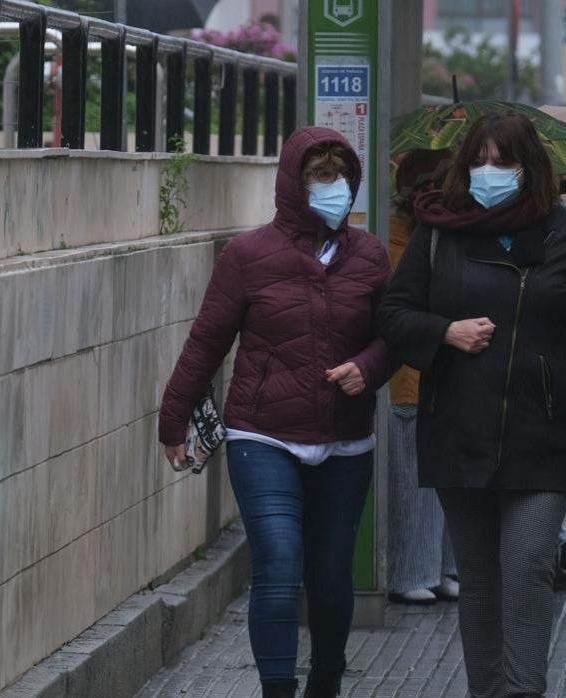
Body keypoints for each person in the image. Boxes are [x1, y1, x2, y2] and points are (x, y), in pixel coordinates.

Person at [378, 111, 566, 698]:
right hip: (458, 432)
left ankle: (522, 690)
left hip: (546, 435)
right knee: (481, 582)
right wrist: (444, 331)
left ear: (531, 169)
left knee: (527, 571)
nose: (489, 172)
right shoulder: (437, 233)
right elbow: (394, 314)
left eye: (504, 162)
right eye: (479, 161)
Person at [158, 127, 393, 698]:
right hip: (262, 434)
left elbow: (396, 335)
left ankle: (327, 684)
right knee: (280, 565)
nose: (331, 189)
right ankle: (277, 691)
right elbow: (206, 341)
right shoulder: (248, 255)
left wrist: (369, 366)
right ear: (293, 183)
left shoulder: (370, 255)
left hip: (345, 439)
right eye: (318, 177)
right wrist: (174, 419)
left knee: (333, 580)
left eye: (339, 177)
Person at [386, 151, 459, 605]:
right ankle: (413, 571)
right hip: (410, 376)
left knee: (449, 481)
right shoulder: (397, 236)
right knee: (415, 483)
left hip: (453, 373)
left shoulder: (458, 229)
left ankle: (447, 566)